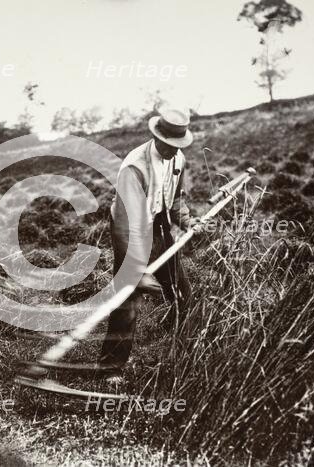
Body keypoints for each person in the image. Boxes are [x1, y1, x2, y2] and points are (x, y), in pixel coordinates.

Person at [99, 109, 196, 381]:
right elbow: (124, 224)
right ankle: (110, 368)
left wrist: (188, 223)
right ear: (156, 136)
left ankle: (183, 355)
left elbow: (176, 200)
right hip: (129, 230)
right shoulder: (135, 167)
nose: (172, 150)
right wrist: (137, 270)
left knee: (182, 293)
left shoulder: (178, 159)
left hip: (159, 226)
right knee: (128, 300)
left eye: (177, 145)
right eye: (167, 144)